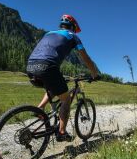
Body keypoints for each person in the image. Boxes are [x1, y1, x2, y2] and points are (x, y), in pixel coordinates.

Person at [27, 14, 99, 142]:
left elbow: (47, 51)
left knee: (53, 86)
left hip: (31, 66)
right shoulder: (72, 37)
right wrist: (94, 74)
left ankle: (40, 108)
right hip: (48, 67)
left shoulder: (48, 33)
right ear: (73, 26)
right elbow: (85, 58)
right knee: (66, 100)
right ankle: (61, 132)